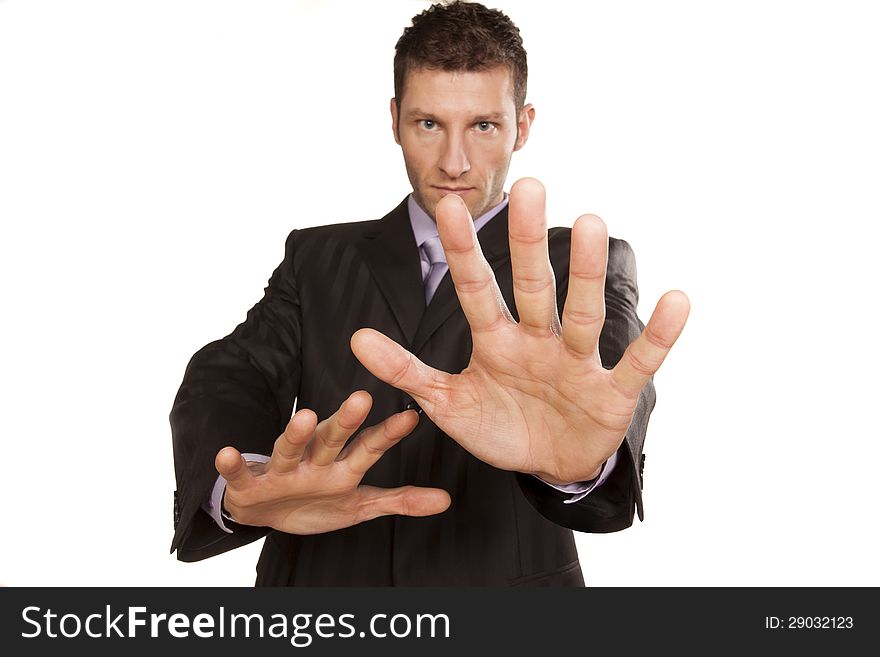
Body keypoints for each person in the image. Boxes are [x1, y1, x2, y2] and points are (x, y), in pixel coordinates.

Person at [170, 0, 689, 586]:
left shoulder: (582, 265)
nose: (454, 161)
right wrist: (242, 485)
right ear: (394, 121)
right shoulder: (317, 257)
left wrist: (586, 464)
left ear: (523, 126)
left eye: (483, 126)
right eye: (428, 124)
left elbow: (615, 381)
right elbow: (229, 375)